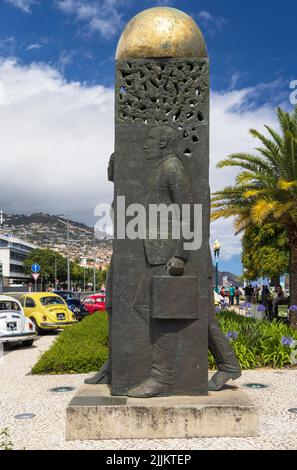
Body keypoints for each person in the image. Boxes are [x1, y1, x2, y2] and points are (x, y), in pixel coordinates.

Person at [86, 128, 241, 395]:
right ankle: (227, 363)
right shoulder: (158, 169)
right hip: (160, 253)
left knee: (162, 310)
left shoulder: (171, 167)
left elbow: (189, 210)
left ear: (161, 142)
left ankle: (162, 377)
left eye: (148, 141)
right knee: (177, 310)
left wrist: (181, 254)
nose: (145, 147)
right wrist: (117, 181)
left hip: (171, 256)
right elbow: (125, 216)